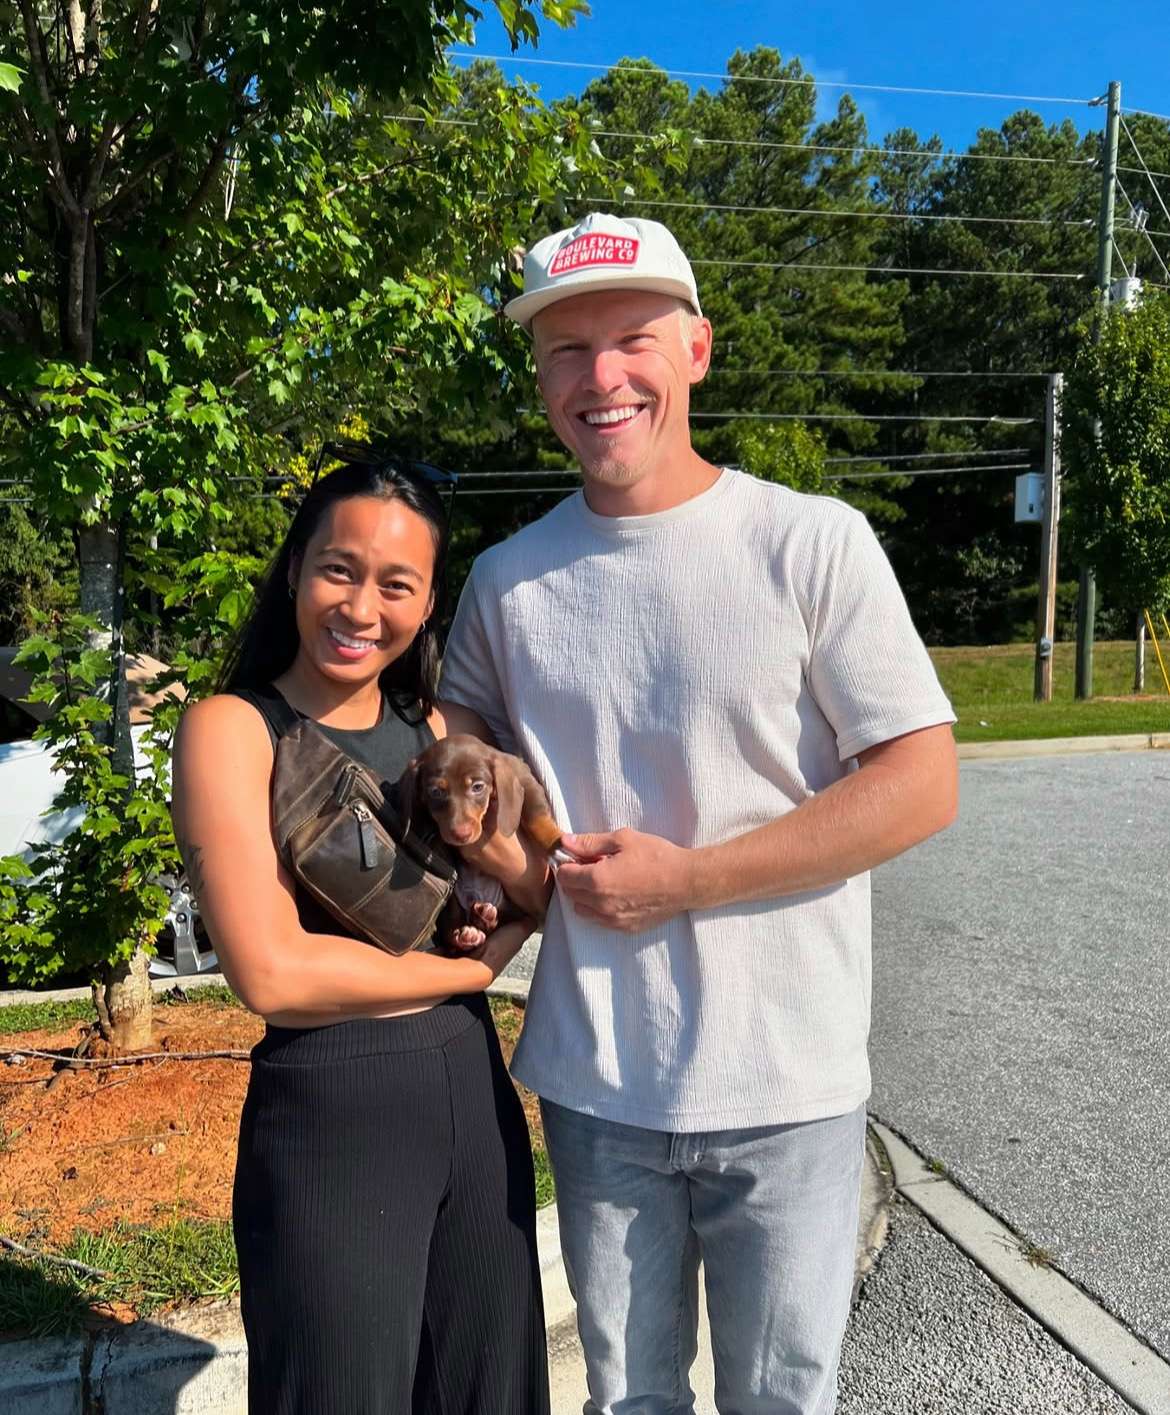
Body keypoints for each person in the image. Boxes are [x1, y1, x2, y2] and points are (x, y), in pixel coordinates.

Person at [440, 212, 959, 1414]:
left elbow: (921, 778)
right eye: (566, 350)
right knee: (631, 1396)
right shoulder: (508, 582)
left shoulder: (809, 541)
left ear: (698, 351)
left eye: (632, 339)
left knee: (782, 1397)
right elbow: (457, 759)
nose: (601, 377)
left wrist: (689, 879)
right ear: (537, 375)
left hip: (786, 1075)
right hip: (598, 1076)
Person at [171, 452, 552, 1415]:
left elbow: (536, 886)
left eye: (397, 584)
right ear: (296, 566)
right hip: (333, 1107)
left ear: (428, 604)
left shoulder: (437, 731)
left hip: (470, 1094)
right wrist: (475, 973)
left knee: (492, 1390)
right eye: (339, 569)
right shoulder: (233, 728)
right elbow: (270, 970)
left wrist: (512, 891)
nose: (361, 607)